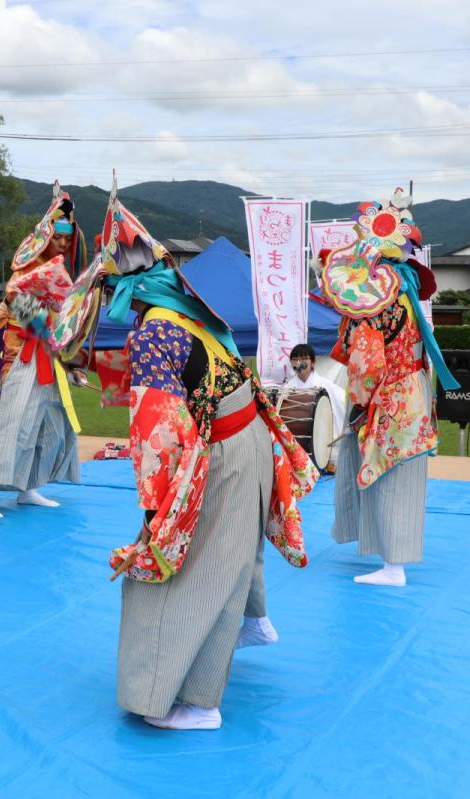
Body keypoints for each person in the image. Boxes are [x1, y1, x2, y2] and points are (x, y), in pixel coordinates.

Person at [56, 181, 316, 730]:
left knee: (181, 571)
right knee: (232, 547)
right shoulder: (189, 312)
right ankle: (253, 618)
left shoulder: (153, 333)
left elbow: (159, 434)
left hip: (220, 449)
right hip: (248, 437)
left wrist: (157, 516)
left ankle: (193, 700)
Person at [321, 188, 457, 588]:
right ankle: (391, 559)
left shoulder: (375, 299)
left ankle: (394, 565)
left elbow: (365, 363)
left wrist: (360, 406)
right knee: (399, 477)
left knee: (388, 476)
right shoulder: (402, 288)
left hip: (388, 394)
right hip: (410, 387)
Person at [0, 184, 85, 518]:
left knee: (49, 422)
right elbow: (13, 303)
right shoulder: (24, 273)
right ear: (44, 237)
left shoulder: (63, 277)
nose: (61, 243)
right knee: (14, 420)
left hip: (46, 355)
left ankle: (28, 486)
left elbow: (61, 329)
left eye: (66, 239)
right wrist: (46, 328)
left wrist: (71, 363)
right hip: (21, 355)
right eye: (56, 237)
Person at [281, 342, 347, 473]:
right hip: (297, 445)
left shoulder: (325, 385)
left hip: (323, 443)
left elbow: (344, 400)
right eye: (295, 359)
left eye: (304, 359)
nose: (299, 363)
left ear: (313, 362)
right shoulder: (286, 390)